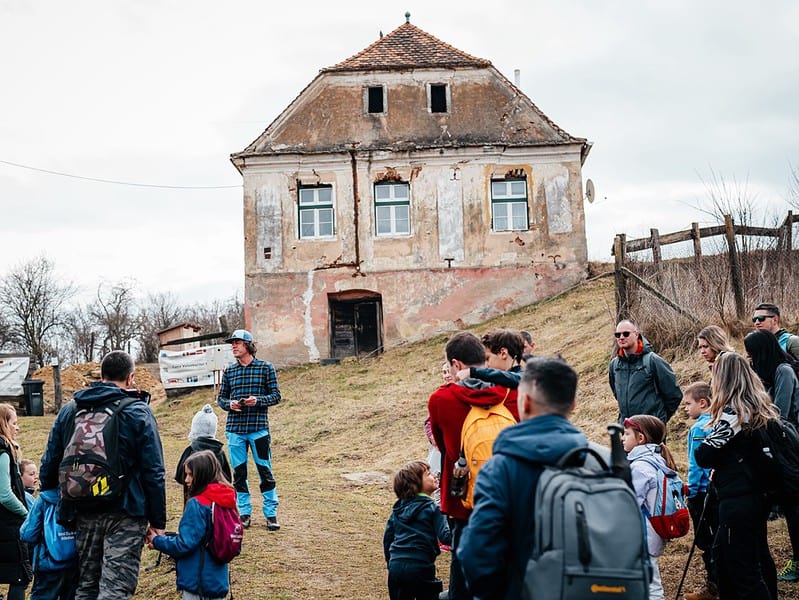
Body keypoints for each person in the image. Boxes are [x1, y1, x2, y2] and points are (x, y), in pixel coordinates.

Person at [38, 350, 166, 600]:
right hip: (127, 511)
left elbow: (49, 463)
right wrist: (158, 522)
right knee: (115, 589)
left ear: (101, 375)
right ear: (130, 379)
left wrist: (58, 502)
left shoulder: (70, 409)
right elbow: (154, 471)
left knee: (86, 585)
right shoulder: (138, 411)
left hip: (83, 509)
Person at [457, 357, 589, 598]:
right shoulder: (603, 462)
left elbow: (477, 552)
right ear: (573, 405)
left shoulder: (501, 469)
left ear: (525, 402)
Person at [427, 331, 519, 600]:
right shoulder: (512, 393)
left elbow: (442, 446)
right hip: (506, 498)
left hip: (462, 499)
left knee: (462, 569)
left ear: (456, 365)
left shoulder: (441, 400)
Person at [695, 352, 779, 600]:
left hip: (739, 498)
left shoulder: (734, 414)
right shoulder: (758, 407)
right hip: (755, 494)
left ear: (724, 379)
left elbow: (704, 454)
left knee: (743, 571)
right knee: (738, 558)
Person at [744, 329, 799, 582]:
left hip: (790, 447)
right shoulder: (766, 374)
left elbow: (781, 414)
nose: (749, 358)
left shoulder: (784, 372)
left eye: (751, 353)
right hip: (779, 445)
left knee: (794, 505)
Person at [147, 450, 236, 600]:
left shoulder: (197, 504)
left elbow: (184, 544)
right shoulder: (226, 500)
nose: (186, 480)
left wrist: (157, 541)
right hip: (218, 580)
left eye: (190, 475)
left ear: (202, 476)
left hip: (197, 581)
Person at [217, 329, 282, 531]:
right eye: (232, 343)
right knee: (239, 473)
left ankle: (271, 514)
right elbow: (221, 399)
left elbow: (276, 396)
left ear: (248, 345)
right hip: (235, 430)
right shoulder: (229, 371)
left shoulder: (265, 368)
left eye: (237, 343)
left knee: (265, 471)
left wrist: (258, 401)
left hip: (259, 429)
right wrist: (230, 405)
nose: (233, 346)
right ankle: (244, 513)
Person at [622, 414, 679, 600]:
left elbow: (629, 502)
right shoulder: (657, 460)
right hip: (652, 532)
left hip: (641, 535)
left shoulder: (640, 467)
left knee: (649, 583)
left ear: (640, 438)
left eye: (626, 433)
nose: (622, 438)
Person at [383, 460, 451, 600]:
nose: (435, 475)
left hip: (396, 566)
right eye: (428, 474)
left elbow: (387, 539)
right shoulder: (433, 509)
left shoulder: (397, 510)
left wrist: (390, 563)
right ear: (416, 484)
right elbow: (445, 537)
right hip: (421, 566)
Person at [682, 382, 719, 600]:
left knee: (706, 541)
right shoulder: (719, 423)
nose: (685, 408)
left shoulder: (698, 429)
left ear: (702, 403)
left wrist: (692, 490)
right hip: (717, 490)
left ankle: (714, 587)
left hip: (702, 493)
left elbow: (696, 463)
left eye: (688, 404)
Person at [609, 319, 682, 422]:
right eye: (618, 334)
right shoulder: (615, 365)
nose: (621, 337)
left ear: (636, 334)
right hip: (627, 429)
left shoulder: (653, 361)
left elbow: (674, 394)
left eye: (626, 334)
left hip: (651, 429)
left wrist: (660, 420)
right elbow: (617, 394)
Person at [19, 487, 79, 600]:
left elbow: (27, 534)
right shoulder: (82, 494)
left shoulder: (44, 499)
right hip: (76, 563)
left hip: (47, 563)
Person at [175, 404, 232, 507]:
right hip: (217, 505)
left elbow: (179, 476)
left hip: (194, 502)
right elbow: (227, 478)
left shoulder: (190, 451)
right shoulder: (219, 452)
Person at [0, 404, 30, 600]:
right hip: (8, 525)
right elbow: (4, 493)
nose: (17, 428)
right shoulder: (3, 452)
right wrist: (26, 514)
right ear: (3, 424)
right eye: (14, 423)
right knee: (20, 576)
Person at [744, 330, 799, 424]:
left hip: (789, 428)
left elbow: (780, 411)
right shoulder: (765, 372)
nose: (748, 356)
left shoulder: (784, 371)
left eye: (751, 353)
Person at [456, 329, 524, 389]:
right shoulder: (500, 381)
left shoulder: (525, 376)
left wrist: (473, 372)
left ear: (503, 353)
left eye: (487, 359)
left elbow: (517, 380)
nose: (486, 365)